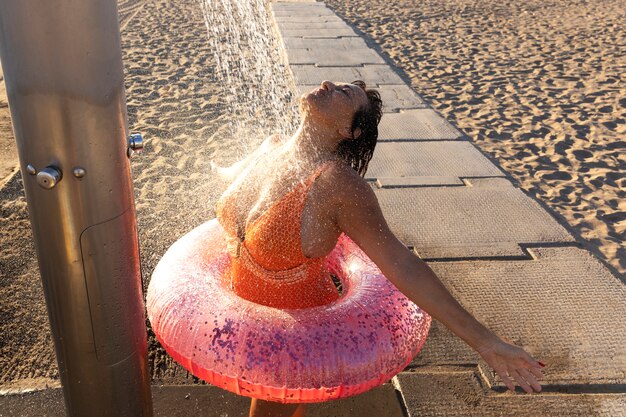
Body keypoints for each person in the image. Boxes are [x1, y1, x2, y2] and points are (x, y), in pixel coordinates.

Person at [214, 80, 545, 417]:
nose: (327, 83)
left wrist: (486, 342)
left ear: (349, 130)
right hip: (247, 314)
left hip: (295, 335)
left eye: (344, 93)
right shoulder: (271, 147)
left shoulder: (338, 186)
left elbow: (401, 263)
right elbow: (229, 186)